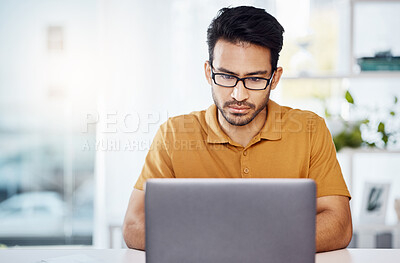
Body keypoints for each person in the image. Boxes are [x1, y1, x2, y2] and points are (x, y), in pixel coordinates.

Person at [123, 6, 352, 253]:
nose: (238, 95)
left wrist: (237, 243)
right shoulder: (173, 134)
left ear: (274, 79)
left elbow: (339, 225)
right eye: (226, 76)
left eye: (254, 79)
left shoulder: (309, 129)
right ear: (208, 73)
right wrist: (239, 243)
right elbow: (135, 225)